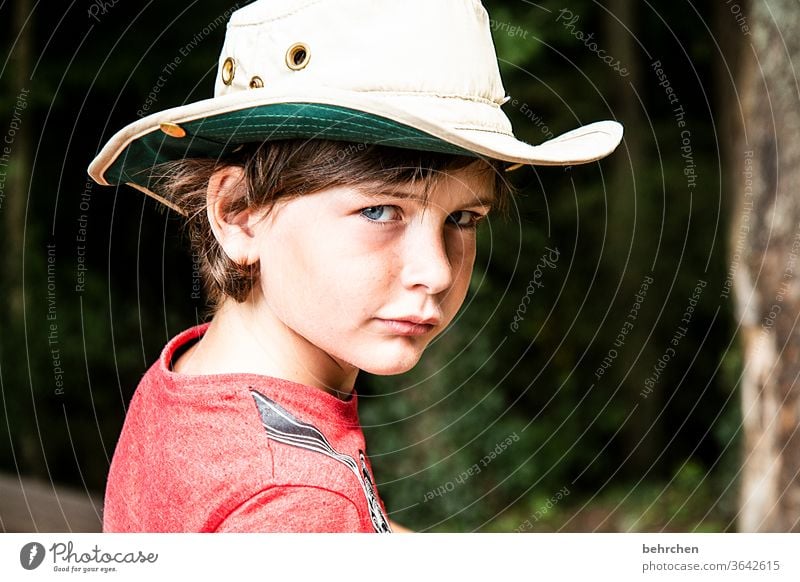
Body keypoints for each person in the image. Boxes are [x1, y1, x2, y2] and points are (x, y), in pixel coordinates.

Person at [87, 0, 622, 532]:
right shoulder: (297, 502)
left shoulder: (200, 384)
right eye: (379, 211)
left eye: (462, 218)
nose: (436, 272)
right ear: (240, 214)